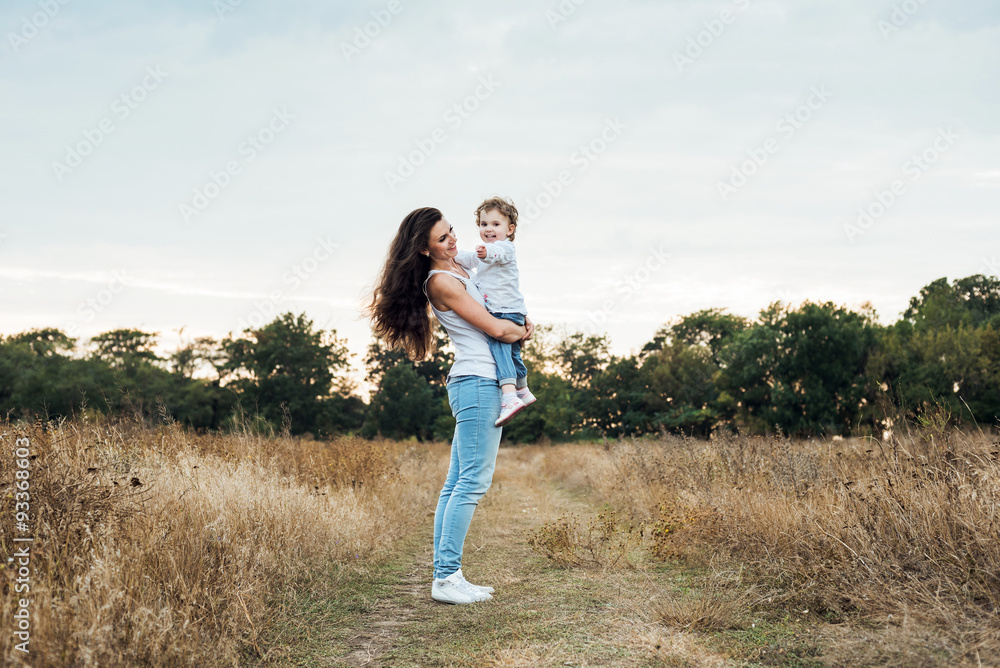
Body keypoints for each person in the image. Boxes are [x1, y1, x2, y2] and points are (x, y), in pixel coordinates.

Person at [366, 207, 534, 605]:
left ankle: (449, 573)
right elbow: (494, 327)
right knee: (472, 482)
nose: (453, 240)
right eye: (442, 239)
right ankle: (445, 578)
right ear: (424, 250)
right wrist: (522, 329)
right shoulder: (441, 281)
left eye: (451, 231)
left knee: (456, 482)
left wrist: (516, 326)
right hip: (478, 382)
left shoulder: (459, 269)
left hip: (475, 381)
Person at [454, 196, 536, 427]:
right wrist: (450, 254)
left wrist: (485, 253)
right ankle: (523, 388)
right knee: (513, 354)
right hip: (512, 310)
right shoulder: (484, 252)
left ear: (510, 230)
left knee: (500, 351)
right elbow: (468, 258)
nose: (488, 229)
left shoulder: (505, 248)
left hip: (503, 311)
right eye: (483, 224)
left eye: (496, 224)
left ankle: (509, 396)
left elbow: (496, 254)